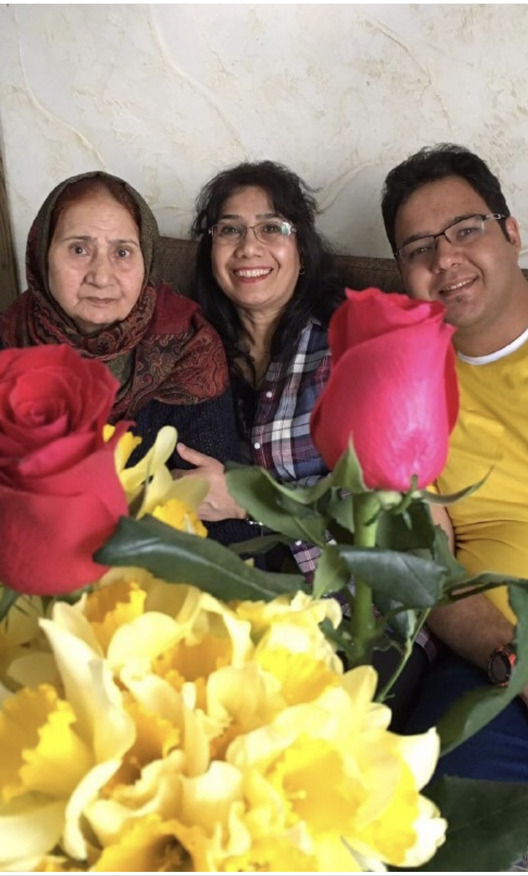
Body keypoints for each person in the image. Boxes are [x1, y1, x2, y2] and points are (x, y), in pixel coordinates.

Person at [381, 142, 528, 823]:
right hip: (504, 666)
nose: (444, 259)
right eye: (418, 247)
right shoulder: (405, 386)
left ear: (511, 232)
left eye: (465, 230)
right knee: (419, 821)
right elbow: (427, 567)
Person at [0, 170, 247, 545]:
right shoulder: (9, 340)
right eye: (79, 249)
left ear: (146, 258)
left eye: (122, 252)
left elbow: (220, 524)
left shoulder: (188, 348)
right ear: (41, 254)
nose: (101, 275)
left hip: (156, 572)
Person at [178, 159, 345, 577]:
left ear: (302, 250)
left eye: (272, 227)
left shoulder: (345, 347)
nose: (248, 247)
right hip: (227, 591)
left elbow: (380, 507)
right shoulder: (190, 349)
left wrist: (245, 501)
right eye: (230, 229)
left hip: (344, 609)